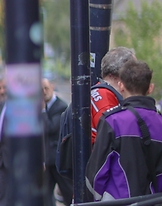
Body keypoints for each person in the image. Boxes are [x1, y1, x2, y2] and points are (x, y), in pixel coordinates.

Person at [57, 47, 136, 180]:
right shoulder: (106, 101)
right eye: (133, 71)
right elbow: (112, 145)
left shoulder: (97, 93)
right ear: (118, 74)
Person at [87, 60, 162, 200]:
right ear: (150, 88)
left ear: (121, 86)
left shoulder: (112, 121)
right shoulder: (160, 122)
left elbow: (97, 173)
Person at [41, 78, 70, 206]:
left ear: (52, 86)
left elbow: (51, 128)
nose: (44, 92)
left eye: (46, 88)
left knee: (67, 191)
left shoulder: (61, 107)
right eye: (41, 90)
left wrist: (42, 111)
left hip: (58, 158)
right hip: (45, 160)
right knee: (45, 194)